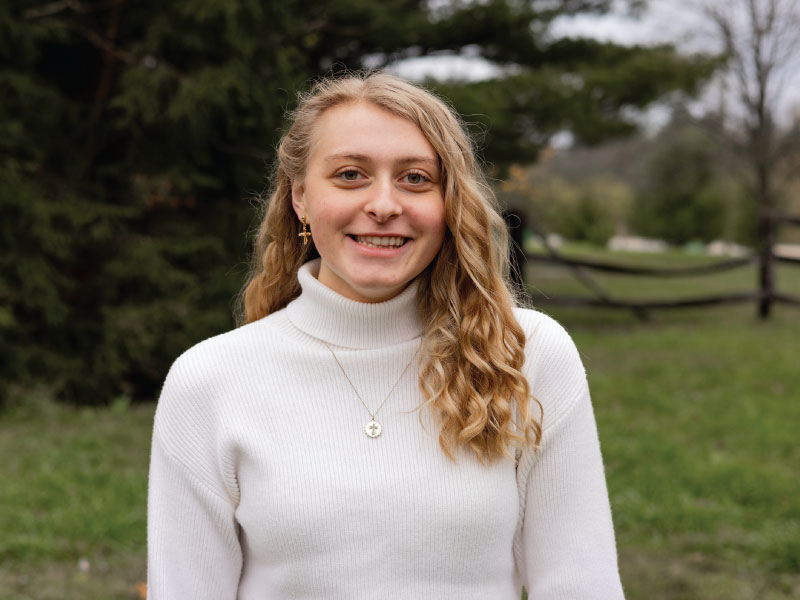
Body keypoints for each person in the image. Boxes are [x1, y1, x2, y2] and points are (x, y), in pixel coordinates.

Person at [147, 71, 625, 599]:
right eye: (350, 174)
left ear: (449, 203)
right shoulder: (209, 381)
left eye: (415, 178)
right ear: (301, 199)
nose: (383, 204)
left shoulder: (527, 355)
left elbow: (582, 586)